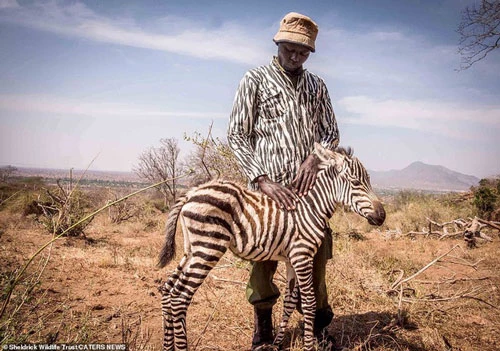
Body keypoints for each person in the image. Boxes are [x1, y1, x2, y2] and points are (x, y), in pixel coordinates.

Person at [227, 12, 339, 351]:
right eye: (290, 48)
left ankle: (316, 328)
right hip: (267, 195)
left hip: (309, 196)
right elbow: (236, 135)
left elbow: (332, 133)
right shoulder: (255, 79)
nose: (295, 56)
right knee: (263, 261)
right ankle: (263, 330)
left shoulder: (317, 86)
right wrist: (261, 179)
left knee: (314, 262)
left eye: (303, 53)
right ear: (278, 44)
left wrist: (314, 158)